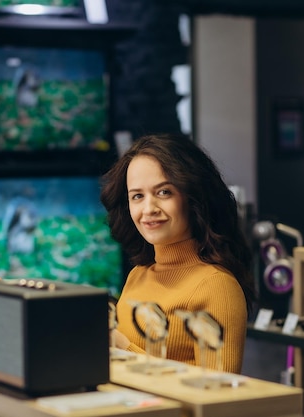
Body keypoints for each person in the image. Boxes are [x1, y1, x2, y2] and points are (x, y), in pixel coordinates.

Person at [100, 133, 256, 374]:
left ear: (193, 197)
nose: (148, 209)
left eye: (164, 192)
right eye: (137, 196)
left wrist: (120, 346)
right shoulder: (138, 275)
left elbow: (217, 398)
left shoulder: (217, 286)